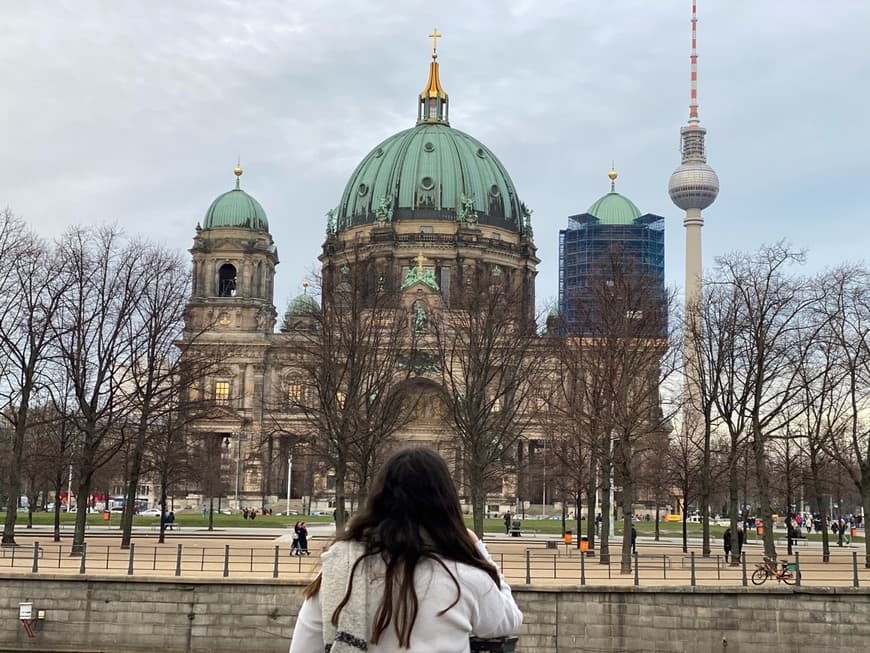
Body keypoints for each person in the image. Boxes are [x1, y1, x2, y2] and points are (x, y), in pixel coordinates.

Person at [288, 447, 522, 653]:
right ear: (445, 504)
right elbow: (509, 619)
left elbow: (302, 647)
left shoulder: (340, 571)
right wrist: (478, 548)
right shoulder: (465, 577)